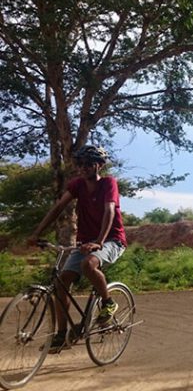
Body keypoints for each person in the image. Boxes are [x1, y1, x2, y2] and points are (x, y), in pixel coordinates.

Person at [29, 145, 127, 353]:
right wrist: (37, 233)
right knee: (61, 282)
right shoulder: (77, 185)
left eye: (88, 164)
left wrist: (99, 241)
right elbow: (58, 208)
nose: (83, 168)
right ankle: (61, 335)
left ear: (99, 165)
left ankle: (108, 303)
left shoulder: (109, 183)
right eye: (80, 164)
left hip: (111, 239)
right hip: (85, 242)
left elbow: (110, 211)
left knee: (88, 263)